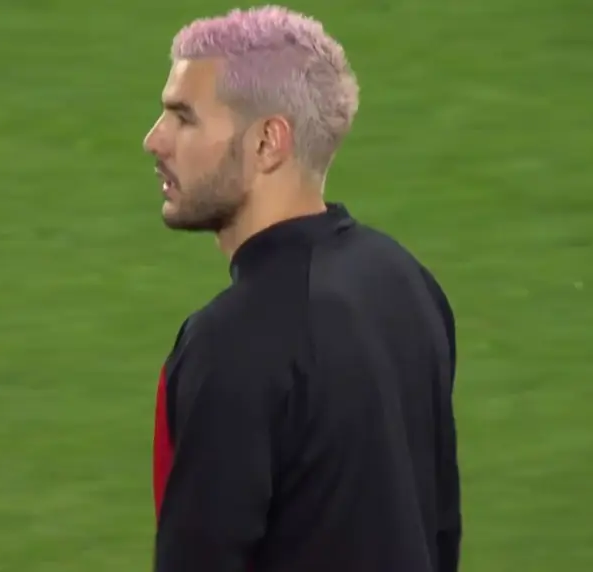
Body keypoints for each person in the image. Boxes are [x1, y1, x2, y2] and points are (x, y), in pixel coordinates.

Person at [142, 6, 461, 572]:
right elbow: (437, 526)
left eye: (183, 118)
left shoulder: (228, 343)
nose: (154, 140)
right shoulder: (406, 281)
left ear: (269, 142)